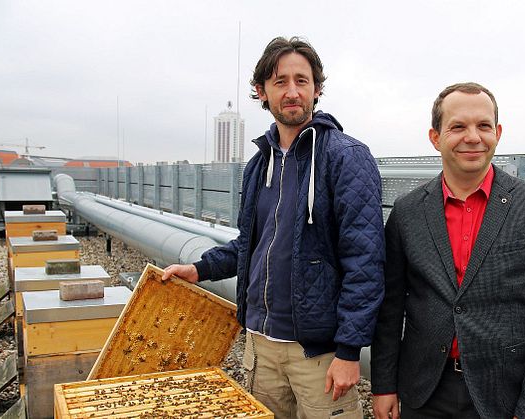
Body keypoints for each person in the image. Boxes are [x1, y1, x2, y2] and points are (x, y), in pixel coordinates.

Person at [162, 36, 385, 418]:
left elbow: (365, 261)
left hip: (317, 354)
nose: (292, 91)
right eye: (280, 81)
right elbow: (250, 244)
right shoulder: (257, 165)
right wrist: (199, 269)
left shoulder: (346, 157)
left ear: (317, 90)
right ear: (261, 91)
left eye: (302, 80)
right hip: (260, 346)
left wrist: (349, 351)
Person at [371, 82, 525, 419]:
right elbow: (390, 307)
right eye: (458, 126)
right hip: (424, 391)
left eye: (483, 126)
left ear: (498, 132)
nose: (473, 137)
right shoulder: (407, 212)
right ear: (435, 138)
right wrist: (383, 385)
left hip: (504, 395)